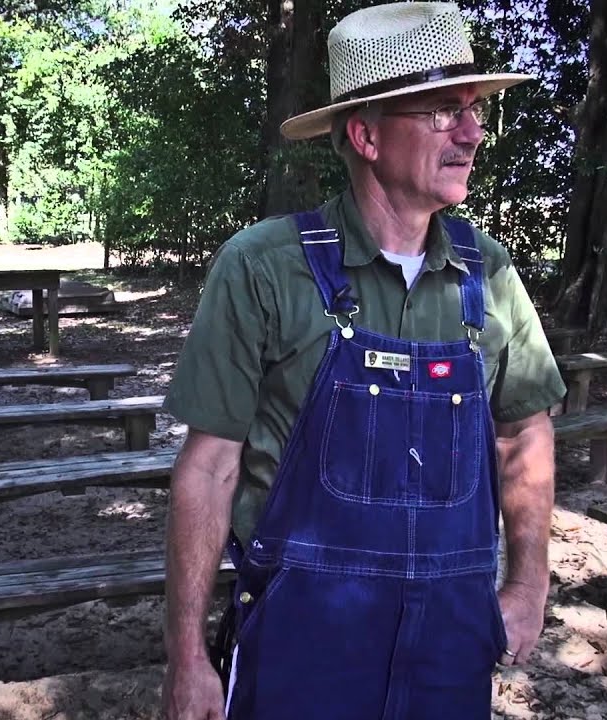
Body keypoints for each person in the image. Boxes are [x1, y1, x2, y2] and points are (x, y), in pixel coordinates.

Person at [161, 3, 565, 719]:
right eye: (444, 111)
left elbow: (523, 432)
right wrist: (187, 655)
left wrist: (529, 584)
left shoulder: (489, 274)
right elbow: (210, 465)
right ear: (365, 135)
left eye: (473, 110)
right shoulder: (262, 269)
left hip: (451, 640)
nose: (472, 133)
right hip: (303, 637)